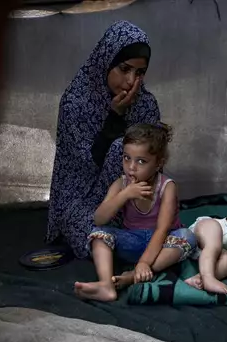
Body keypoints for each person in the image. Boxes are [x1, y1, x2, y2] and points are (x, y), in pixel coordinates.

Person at [46, 20, 161, 259]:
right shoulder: (75, 103)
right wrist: (115, 117)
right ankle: (126, 241)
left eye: (139, 73)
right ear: (105, 61)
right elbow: (82, 167)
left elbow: (154, 164)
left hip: (134, 202)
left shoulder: (146, 105)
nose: (131, 81)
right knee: (84, 230)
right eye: (124, 69)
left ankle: (124, 238)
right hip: (82, 201)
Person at [74, 123, 196, 302]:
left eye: (141, 161)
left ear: (158, 163)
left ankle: (133, 276)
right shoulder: (121, 184)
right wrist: (124, 195)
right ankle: (106, 284)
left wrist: (144, 263)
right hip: (133, 242)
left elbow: (162, 230)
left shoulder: (167, 187)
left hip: (163, 244)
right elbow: (99, 219)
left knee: (188, 236)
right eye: (126, 158)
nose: (131, 167)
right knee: (98, 234)